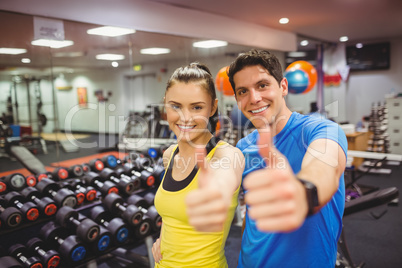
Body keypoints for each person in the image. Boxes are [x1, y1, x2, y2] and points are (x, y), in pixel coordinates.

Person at [226, 49, 348, 267]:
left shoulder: (321, 130)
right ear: (237, 99)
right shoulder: (243, 148)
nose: (254, 98)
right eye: (243, 91)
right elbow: (251, 211)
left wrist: (303, 191)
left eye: (262, 85)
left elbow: (324, 168)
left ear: (283, 87)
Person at [152, 62, 244, 267]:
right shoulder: (169, 156)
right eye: (175, 106)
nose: (185, 117)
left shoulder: (226, 155)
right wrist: (163, 239)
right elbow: (173, 214)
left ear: (212, 107)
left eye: (196, 107)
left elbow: (223, 181)